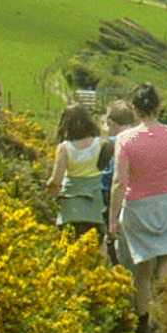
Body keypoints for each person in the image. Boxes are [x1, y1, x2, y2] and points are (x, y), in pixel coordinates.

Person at [108, 84, 167, 333]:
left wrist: (113, 219)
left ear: (135, 110)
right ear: (159, 107)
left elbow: (119, 183)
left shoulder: (125, 140)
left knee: (143, 271)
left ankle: (143, 327)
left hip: (138, 208)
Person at [45, 103, 107, 250]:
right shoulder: (101, 144)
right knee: (95, 247)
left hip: (71, 208)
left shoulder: (64, 148)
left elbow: (57, 180)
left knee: (69, 248)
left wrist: (48, 189)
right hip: (95, 205)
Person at [99, 100, 138, 266]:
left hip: (109, 193)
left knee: (110, 232)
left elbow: (101, 173)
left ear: (111, 124)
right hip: (134, 193)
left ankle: (115, 266)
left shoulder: (109, 143)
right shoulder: (137, 140)